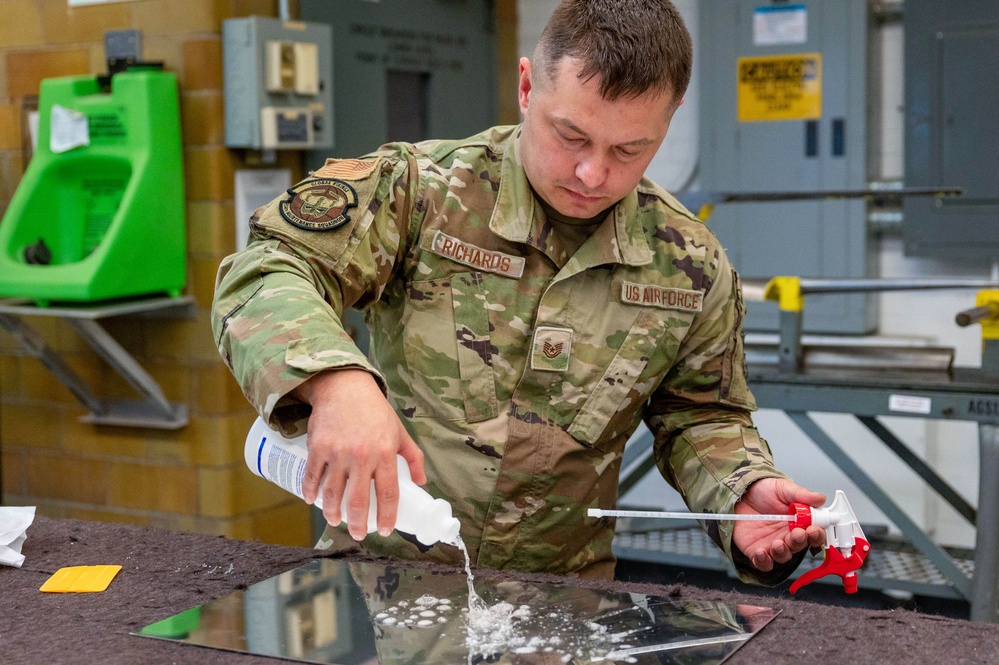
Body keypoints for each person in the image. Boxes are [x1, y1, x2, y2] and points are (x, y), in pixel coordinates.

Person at [212, 0, 826, 583]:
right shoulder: (423, 192)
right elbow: (269, 265)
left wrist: (740, 487)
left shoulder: (688, 263)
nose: (592, 174)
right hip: (384, 583)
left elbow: (701, 412)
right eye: (571, 136)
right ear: (527, 88)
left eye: (629, 150)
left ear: (668, 122)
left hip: (565, 603)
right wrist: (336, 382)